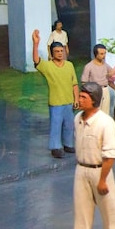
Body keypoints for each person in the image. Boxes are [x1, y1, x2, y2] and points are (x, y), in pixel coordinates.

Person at [62, 82, 115, 229]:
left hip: (100, 170)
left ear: (94, 100)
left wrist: (103, 179)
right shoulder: (77, 118)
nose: (80, 99)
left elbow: (110, 155)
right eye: (80, 96)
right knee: (81, 207)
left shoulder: (106, 123)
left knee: (108, 206)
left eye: (83, 97)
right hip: (81, 169)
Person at [32, 29, 78, 159]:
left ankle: (68, 144)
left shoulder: (69, 65)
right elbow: (36, 60)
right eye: (56, 51)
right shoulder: (48, 66)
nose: (59, 53)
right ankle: (55, 147)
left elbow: (74, 83)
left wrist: (76, 98)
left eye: (61, 51)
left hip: (68, 101)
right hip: (56, 102)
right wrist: (35, 44)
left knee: (69, 124)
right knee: (56, 125)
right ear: (52, 53)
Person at [81, 44, 115, 117]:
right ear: (96, 54)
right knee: (96, 111)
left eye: (104, 53)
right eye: (101, 54)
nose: (103, 56)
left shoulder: (105, 64)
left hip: (105, 89)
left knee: (106, 111)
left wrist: (110, 73)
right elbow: (84, 82)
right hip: (95, 91)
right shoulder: (89, 66)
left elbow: (113, 71)